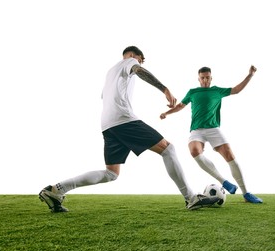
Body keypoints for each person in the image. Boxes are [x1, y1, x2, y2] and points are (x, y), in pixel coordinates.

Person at [39, 46, 219, 212]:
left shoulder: (110, 72)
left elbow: (106, 98)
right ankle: (190, 198)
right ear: (134, 55)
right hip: (123, 119)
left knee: (111, 173)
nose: (139, 63)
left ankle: (56, 190)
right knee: (168, 149)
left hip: (107, 125)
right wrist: (164, 89)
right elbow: (138, 70)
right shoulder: (129, 62)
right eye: (141, 59)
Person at [160, 66, 263, 203]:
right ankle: (224, 181)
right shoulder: (193, 92)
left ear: (211, 78)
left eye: (207, 77)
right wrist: (166, 113)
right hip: (197, 130)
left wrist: (250, 75)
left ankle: (246, 193)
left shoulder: (217, 91)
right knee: (194, 151)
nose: (205, 80)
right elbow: (180, 106)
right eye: (202, 78)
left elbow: (237, 90)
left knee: (230, 155)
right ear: (199, 79)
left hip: (214, 129)